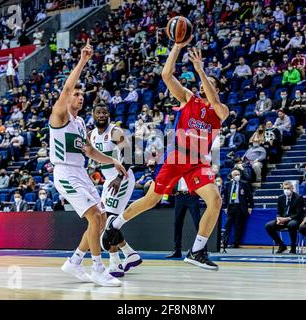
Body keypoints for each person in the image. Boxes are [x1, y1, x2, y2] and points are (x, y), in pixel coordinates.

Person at [100, 39, 229, 270]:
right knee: (151, 200)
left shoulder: (221, 111)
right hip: (177, 157)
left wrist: (201, 71)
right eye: (202, 83)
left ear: (217, 89)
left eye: (209, 84)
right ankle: (114, 224)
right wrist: (178, 47)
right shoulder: (189, 98)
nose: (203, 85)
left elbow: (217, 104)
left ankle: (197, 250)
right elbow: (166, 75)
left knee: (215, 201)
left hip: (198, 163)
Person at [49, 39, 127, 286]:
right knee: (94, 217)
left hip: (80, 171)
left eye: (83, 96)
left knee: (101, 219)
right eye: (76, 95)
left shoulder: (81, 123)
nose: (80, 98)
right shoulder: (59, 116)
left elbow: (90, 152)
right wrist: (83, 60)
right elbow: (66, 89)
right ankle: (98, 269)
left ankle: (74, 262)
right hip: (64, 173)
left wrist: (113, 161)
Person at [90, 103, 142, 278]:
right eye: (98, 112)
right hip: (108, 180)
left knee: (110, 220)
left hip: (122, 178)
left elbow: (129, 155)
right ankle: (130, 254)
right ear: (93, 115)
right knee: (106, 221)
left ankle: (115, 263)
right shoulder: (92, 135)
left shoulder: (115, 132)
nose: (102, 115)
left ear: (109, 115)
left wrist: (119, 178)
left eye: (105, 112)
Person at [166, 178, 201, 258]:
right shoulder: (178, 168)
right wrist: (173, 190)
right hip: (179, 196)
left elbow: (199, 179)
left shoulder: (194, 167)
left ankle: (202, 250)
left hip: (192, 196)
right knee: (177, 223)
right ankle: (177, 250)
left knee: (198, 223)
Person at [265, 181, 304, 254]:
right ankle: (281, 245)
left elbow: (299, 214)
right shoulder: (280, 198)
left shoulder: (299, 198)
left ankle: (293, 247)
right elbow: (279, 212)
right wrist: (278, 218)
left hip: (294, 219)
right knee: (268, 226)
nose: (286, 190)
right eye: (285, 188)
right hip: (282, 219)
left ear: (292, 188)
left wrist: (286, 219)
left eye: (288, 188)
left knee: (291, 225)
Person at [222, 169, 253, 249]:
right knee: (227, 225)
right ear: (232, 176)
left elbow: (250, 196)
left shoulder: (244, 184)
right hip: (231, 207)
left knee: (238, 226)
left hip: (240, 207)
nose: (237, 176)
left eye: (238, 174)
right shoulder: (228, 184)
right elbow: (225, 196)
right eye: (235, 175)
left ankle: (236, 243)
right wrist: (225, 207)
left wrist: (250, 206)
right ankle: (224, 243)